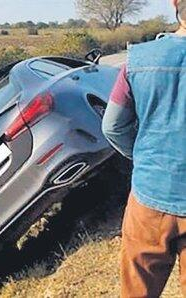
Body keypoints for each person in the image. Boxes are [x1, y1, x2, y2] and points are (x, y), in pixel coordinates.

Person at [102, 0, 186, 296]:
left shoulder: (137, 61)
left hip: (149, 200)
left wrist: (142, 157)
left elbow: (112, 126)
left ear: (175, 4)